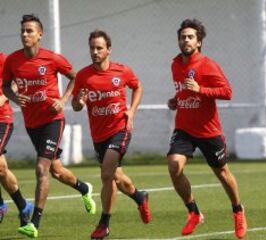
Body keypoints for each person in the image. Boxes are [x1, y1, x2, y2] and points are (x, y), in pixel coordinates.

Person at [2, 14, 96, 238]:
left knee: (41, 169)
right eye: (23, 31)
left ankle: (33, 223)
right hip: (32, 124)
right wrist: (14, 98)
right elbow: (6, 86)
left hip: (53, 121)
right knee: (55, 170)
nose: (25, 34)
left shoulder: (52, 59)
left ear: (40, 35)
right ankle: (84, 188)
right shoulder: (13, 61)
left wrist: (63, 101)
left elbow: (77, 77)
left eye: (29, 31)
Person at [166, 19, 247, 239]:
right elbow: (184, 92)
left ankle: (238, 210)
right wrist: (176, 100)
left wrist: (201, 89)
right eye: (183, 37)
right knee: (174, 166)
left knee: (222, 172)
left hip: (208, 130)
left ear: (199, 41)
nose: (186, 40)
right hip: (184, 128)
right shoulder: (175, 65)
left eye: (190, 37)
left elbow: (227, 92)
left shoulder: (207, 65)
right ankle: (194, 212)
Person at [71, 30, 151, 240]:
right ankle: (140, 197)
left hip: (120, 129)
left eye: (99, 48)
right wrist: (79, 102)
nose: (95, 52)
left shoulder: (121, 71)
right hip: (99, 135)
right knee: (115, 176)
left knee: (106, 174)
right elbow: (76, 105)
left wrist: (131, 111)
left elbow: (138, 86)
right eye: (92, 48)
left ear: (108, 50)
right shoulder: (83, 76)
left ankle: (104, 224)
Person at [0, 52, 33, 226]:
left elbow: (17, 82)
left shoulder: (4, 60)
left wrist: (3, 97)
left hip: (2, 120)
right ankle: (23, 205)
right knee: (2, 169)